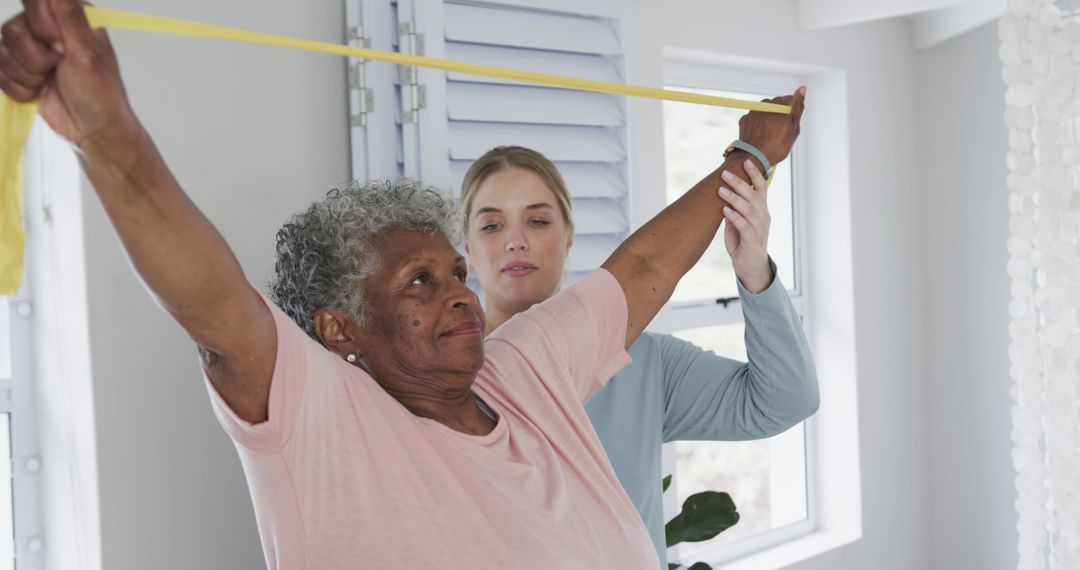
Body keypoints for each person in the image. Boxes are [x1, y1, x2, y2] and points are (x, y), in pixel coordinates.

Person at [0, 0, 805, 567]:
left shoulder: (523, 368)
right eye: (419, 282)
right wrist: (109, 136)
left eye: (454, 270)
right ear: (340, 329)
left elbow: (644, 269)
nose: (458, 290)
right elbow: (212, 305)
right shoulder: (322, 426)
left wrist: (752, 158)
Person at [461, 146, 819, 564]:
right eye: (491, 225)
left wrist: (754, 269)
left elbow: (784, 400)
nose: (515, 241)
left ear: (569, 235)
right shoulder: (437, 380)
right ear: (465, 244)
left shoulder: (644, 361)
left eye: (538, 221)